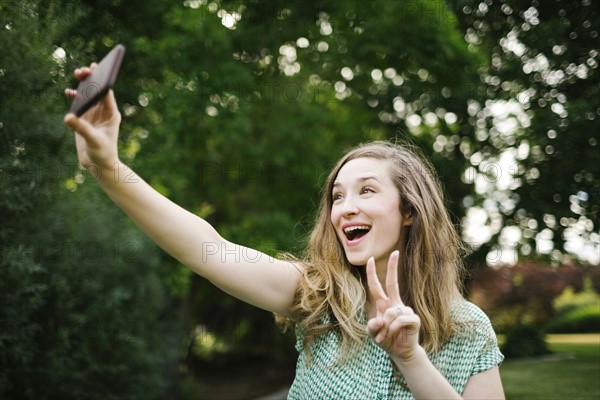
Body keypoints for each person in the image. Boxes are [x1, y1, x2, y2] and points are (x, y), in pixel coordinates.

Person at [64, 64, 505, 400]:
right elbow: (209, 251)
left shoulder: (469, 330)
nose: (345, 207)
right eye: (337, 196)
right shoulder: (317, 295)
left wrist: (410, 358)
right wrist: (109, 169)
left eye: (366, 191)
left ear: (409, 210)